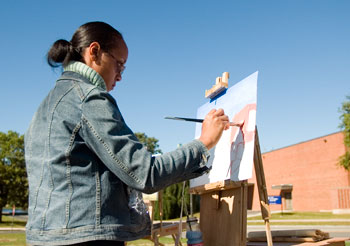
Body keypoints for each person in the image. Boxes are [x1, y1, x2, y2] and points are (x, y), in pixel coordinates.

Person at [25, 21, 230, 246]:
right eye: (119, 65)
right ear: (94, 52)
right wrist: (204, 142)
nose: (120, 76)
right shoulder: (89, 98)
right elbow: (144, 174)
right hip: (86, 239)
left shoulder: (47, 105)